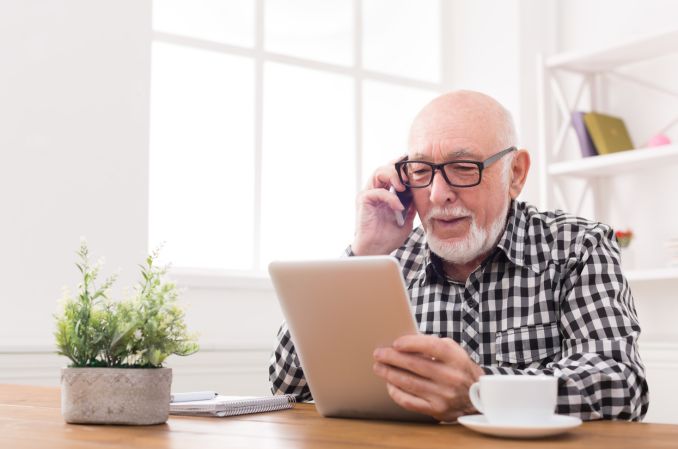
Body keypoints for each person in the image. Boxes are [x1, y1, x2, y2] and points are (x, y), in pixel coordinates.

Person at [268, 90, 649, 422]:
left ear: (515, 174)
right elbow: (288, 384)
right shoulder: (389, 261)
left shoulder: (577, 246)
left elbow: (621, 383)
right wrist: (364, 253)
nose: (437, 194)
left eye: (463, 168)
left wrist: (480, 391)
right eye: (420, 170)